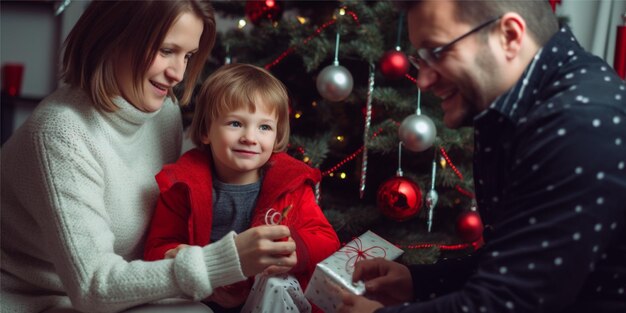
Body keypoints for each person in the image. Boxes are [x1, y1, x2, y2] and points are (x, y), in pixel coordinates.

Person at [0, 2, 298, 312]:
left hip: (122, 291)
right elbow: (92, 287)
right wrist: (223, 262)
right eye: (167, 50)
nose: (178, 73)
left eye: (188, 55)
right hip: (36, 299)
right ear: (114, 37)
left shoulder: (163, 113)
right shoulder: (61, 135)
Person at [339, 1, 626, 312]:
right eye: (419, 59)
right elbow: (520, 256)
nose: (423, 81)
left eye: (438, 52)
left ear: (510, 36)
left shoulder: (579, 124)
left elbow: (511, 303)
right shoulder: (517, 107)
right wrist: (418, 282)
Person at [143, 63, 340, 312]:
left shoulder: (291, 186)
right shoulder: (182, 186)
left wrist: (296, 249)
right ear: (205, 131)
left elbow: (327, 240)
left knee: (277, 282)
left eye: (264, 127)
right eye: (235, 123)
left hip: (265, 297)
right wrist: (178, 253)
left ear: (277, 137)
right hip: (204, 295)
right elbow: (155, 250)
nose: (250, 137)